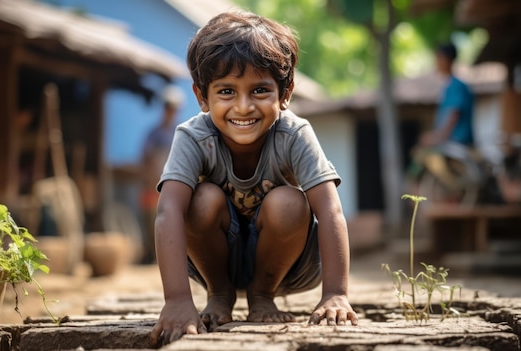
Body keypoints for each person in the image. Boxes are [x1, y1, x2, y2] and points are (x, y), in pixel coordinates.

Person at [150, 10, 358, 346]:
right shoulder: (192, 136)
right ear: (202, 96)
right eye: (227, 91)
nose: (244, 107)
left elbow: (330, 210)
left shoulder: (295, 134)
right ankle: (220, 294)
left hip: (288, 262)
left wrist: (336, 293)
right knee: (200, 199)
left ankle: (262, 295)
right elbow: (168, 210)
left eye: (260, 90)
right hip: (213, 259)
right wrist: (176, 300)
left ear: (285, 92)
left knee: (289, 201)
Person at [139, 85, 185, 264]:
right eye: (167, 107)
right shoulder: (153, 134)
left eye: (172, 108)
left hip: (173, 185)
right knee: (151, 221)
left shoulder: (181, 133)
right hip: (153, 185)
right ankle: (152, 254)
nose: (169, 111)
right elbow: (145, 159)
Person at [420, 42, 474, 147]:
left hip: (457, 142)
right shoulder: (449, 86)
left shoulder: (456, 86)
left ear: (447, 60)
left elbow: (454, 114)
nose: (436, 63)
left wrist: (439, 137)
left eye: (438, 58)